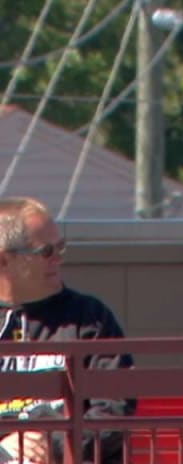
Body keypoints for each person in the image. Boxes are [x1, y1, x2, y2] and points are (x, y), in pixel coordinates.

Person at [0, 196, 133, 464]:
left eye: (61, 247)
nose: (58, 259)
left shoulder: (90, 319)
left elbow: (113, 410)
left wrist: (56, 446)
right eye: (46, 251)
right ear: (4, 262)